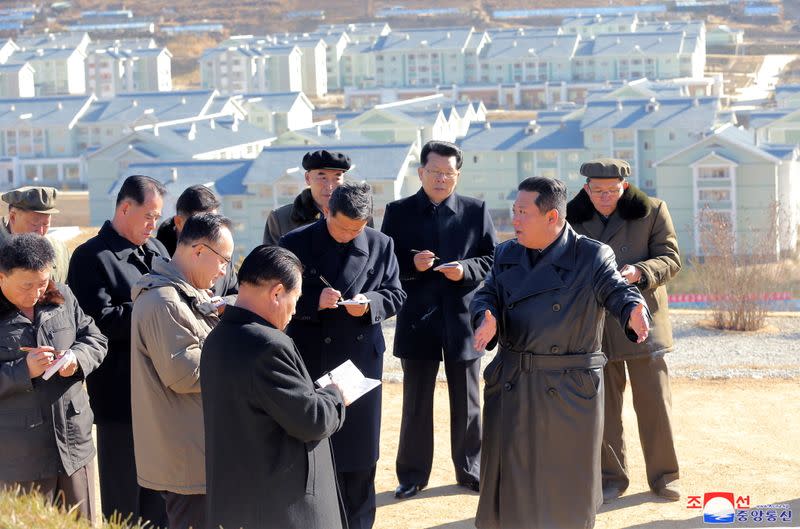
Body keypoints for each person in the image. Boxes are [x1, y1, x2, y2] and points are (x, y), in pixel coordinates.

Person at [470, 177, 651, 529]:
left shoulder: (591, 255)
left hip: (568, 389)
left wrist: (633, 308)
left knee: (565, 490)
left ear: (552, 217)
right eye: (514, 211)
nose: (515, 221)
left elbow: (616, 290)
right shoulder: (507, 253)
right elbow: (486, 293)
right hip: (514, 382)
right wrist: (485, 316)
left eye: (523, 213)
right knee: (511, 489)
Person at [280, 181, 406, 529]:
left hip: (359, 362)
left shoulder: (381, 244)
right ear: (326, 212)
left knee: (359, 455)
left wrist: (370, 304)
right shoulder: (295, 243)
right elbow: (273, 293)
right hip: (310, 358)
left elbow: (395, 294)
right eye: (341, 227)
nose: (348, 235)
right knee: (314, 448)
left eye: (357, 229)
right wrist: (311, 304)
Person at [381, 140, 496, 499]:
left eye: (449, 173)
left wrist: (463, 269)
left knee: (468, 399)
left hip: (463, 318)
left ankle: (471, 469)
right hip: (417, 319)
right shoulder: (398, 212)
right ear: (421, 173)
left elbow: (492, 261)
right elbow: (384, 266)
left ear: (457, 175)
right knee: (416, 401)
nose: (442, 179)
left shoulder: (475, 210)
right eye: (435, 172)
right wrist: (410, 266)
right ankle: (412, 474)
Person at [202, 245, 348, 529]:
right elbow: (311, 420)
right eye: (296, 297)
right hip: (280, 506)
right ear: (277, 292)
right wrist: (335, 394)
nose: (295, 309)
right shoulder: (268, 345)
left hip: (240, 496)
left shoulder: (218, 337)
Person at [566, 158, 682, 502]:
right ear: (587, 189)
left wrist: (640, 271)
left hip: (645, 322)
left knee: (655, 405)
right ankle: (611, 478)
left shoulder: (653, 210)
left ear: (625, 187)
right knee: (604, 408)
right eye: (597, 191)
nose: (604, 197)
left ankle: (665, 476)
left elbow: (671, 257)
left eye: (612, 191)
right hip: (597, 325)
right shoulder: (571, 218)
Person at [67, 175, 169, 526]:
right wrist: (152, 309)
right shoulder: (90, 257)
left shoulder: (156, 251)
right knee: (125, 503)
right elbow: (97, 325)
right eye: (149, 216)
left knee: (161, 501)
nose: (154, 224)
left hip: (161, 393)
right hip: (119, 398)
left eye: (158, 217)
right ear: (125, 208)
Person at [131, 213, 233, 529]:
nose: (224, 270)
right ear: (199, 251)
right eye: (224, 260)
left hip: (197, 450)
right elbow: (185, 374)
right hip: (188, 459)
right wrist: (239, 356)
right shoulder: (164, 300)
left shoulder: (184, 293)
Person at [0, 234, 107, 523]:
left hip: (73, 447)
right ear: (2, 277)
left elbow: (95, 338)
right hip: (19, 460)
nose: (36, 293)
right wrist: (23, 370)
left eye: (42, 282)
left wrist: (76, 358)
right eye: (26, 285)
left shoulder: (61, 296)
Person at [263, 149, 372, 245]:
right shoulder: (280, 219)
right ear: (307, 178)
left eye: (336, 178)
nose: (330, 187)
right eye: (322, 177)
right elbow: (270, 264)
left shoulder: (360, 215)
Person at [155, 184, 238, 300]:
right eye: (200, 223)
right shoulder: (156, 255)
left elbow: (238, 295)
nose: (210, 229)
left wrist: (222, 303)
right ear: (178, 222)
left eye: (213, 221)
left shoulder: (222, 253)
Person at [0, 186, 71, 283]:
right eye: (34, 224)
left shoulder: (60, 249)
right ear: (13, 217)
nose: (41, 232)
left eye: (46, 224)